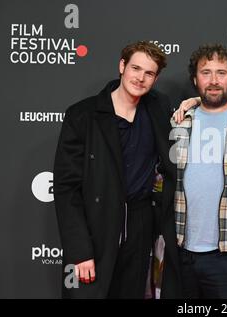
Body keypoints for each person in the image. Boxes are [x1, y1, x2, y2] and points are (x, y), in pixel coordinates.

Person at [53, 41, 181, 298]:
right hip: (96, 225)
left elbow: (197, 110)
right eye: (136, 68)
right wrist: (80, 251)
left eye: (149, 73)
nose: (140, 78)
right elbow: (67, 188)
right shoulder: (83, 115)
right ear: (122, 66)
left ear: (155, 78)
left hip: (140, 223)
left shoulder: (158, 107)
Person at [170, 44, 227, 298]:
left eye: (221, 72)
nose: (214, 80)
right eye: (206, 72)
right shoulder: (177, 122)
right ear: (195, 79)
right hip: (181, 252)